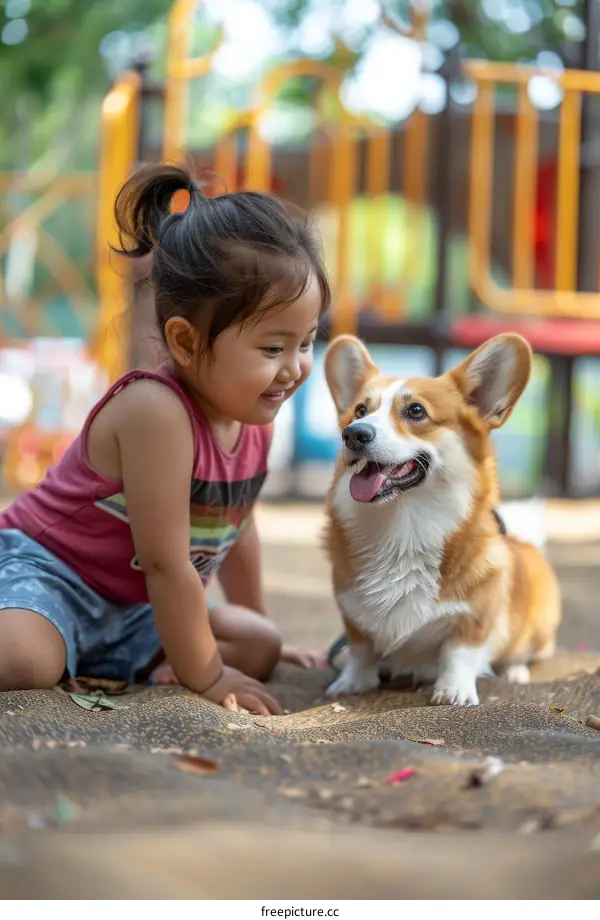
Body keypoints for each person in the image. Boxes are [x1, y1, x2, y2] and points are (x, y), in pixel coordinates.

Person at [0, 164, 331, 715]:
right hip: (51, 577)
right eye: (274, 348)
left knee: (259, 645)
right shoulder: (156, 412)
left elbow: (237, 525)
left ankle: (126, 663)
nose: (294, 368)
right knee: (24, 661)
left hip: (135, 610)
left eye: (307, 343)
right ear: (185, 340)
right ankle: (92, 656)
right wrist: (207, 676)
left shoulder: (254, 420)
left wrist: (259, 621)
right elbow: (166, 564)